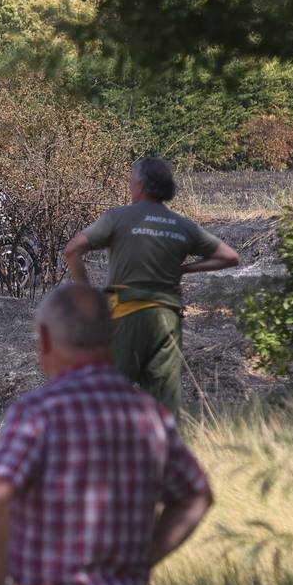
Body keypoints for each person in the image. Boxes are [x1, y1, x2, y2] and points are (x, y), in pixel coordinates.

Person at [0, 284, 213, 585]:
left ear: (46, 340)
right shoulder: (147, 414)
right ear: (112, 339)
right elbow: (195, 497)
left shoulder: (38, 412)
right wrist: (142, 557)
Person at [62, 158, 240, 413]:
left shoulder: (117, 217)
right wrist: (184, 268)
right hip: (168, 319)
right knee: (164, 407)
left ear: (141, 186)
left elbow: (72, 250)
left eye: (131, 180)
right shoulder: (182, 224)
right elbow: (230, 256)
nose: (129, 184)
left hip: (125, 316)